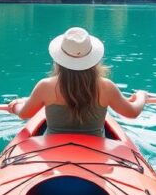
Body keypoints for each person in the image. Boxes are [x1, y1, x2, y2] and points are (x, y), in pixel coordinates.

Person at [8, 27, 147, 136]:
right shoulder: (106, 87)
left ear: (59, 60)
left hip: (54, 148)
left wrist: (16, 106)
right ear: (93, 59)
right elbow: (132, 112)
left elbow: (24, 114)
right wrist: (142, 96)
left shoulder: (45, 86)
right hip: (95, 153)